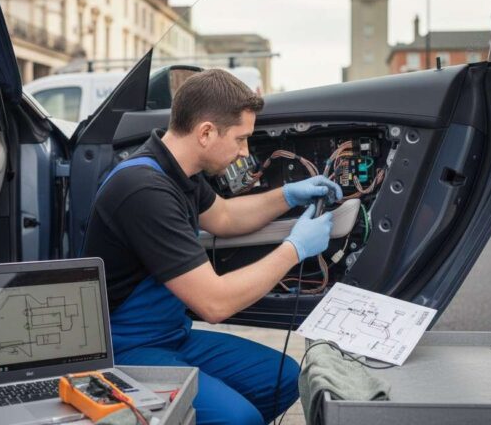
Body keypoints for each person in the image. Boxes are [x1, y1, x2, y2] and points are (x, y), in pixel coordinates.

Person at [81, 69, 341, 424]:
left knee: (283, 378)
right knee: (240, 418)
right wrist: (295, 248)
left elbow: (225, 218)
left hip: (171, 337)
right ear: (205, 132)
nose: (244, 151)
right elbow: (214, 303)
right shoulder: (143, 190)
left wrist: (288, 195)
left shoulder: (177, 171)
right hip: (126, 349)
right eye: (240, 138)